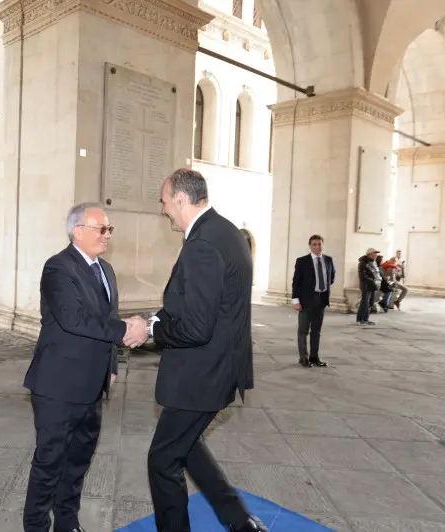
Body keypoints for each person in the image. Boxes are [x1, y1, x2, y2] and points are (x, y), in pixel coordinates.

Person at [146, 169, 266, 532]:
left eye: (165, 202)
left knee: (163, 459)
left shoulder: (201, 245)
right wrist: (158, 317)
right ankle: (240, 521)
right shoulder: (226, 232)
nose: (164, 210)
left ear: (181, 199)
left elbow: (197, 327)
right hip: (218, 367)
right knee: (187, 446)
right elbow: (205, 304)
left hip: (201, 373)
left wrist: (153, 329)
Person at [22, 203, 147, 532]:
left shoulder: (106, 270)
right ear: (78, 232)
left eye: (109, 229)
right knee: (50, 463)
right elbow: (74, 319)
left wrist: (113, 364)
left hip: (93, 386)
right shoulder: (58, 268)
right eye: (101, 228)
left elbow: (104, 319)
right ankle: (36, 526)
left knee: (78, 462)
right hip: (58, 386)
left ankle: (67, 522)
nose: (107, 235)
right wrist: (126, 330)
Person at [291, 234, 335, 368]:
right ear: (310, 246)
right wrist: (296, 301)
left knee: (316, 330)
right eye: (314, 244)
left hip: (321, 300)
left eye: (319, 244)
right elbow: (296, 283)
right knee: (303, 330)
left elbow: (331, 277)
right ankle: (303, 358)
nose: (317, 247)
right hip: (305, 301)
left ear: (323, 245)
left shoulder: (328, 260)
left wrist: (322, 289)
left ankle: (314, 357)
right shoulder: (302, 261)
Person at [356, 248, 381, 326]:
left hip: (373, 285)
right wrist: (372, 281)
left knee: (369, 303)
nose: (376, 255)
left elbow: (376, 273)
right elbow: (362, 276)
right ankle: (361, 320)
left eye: (376, 253)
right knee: (365, 303)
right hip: (366, 286)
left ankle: (365, 319)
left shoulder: (373, 262)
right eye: (374, 253)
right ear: (369, 254)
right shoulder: (363, 263)